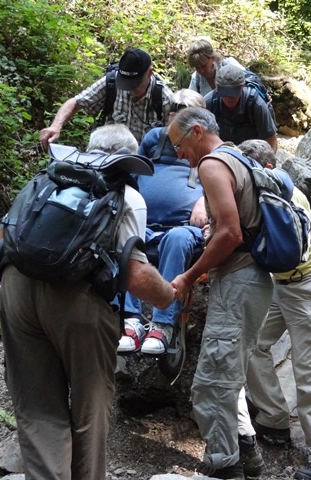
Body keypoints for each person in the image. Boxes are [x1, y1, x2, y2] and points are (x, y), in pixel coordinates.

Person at [0, 124, 175, 480]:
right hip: (78, 302)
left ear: (90, 147)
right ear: (128, 156)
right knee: (89, 407)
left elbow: (4, 234)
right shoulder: (126, 195)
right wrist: (169, 294)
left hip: (16, 288)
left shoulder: (47, 178)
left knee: (37, 408)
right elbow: (136, 276)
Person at [169, 107, 274, 479]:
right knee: (229, 376)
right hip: (254, 281)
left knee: (211, 385)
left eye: (179, 145)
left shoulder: (214, 165)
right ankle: (247, 455)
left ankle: (223, 467)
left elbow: (231, 233)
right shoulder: (239, 157)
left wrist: (189, 274)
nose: (179, 154)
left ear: (197, 132)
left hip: (240, 280)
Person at [239, 139, 311, 480]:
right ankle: (274, 418)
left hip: (308, 283)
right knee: (251, 344)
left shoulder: (283, 192)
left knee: (309, 368)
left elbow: (302, 239)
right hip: (283, 284)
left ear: (264, 168)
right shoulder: (262, 190)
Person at [116, 89, 208, 355]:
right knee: (122, 237)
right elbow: (133, 170)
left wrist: (205, 201)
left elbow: (222, 182)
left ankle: (162, 324)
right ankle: (130, 321)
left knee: (177, 239)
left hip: (183, 227)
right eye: (173, 108)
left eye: (183, 109)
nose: (175, 112)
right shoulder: (154, 139)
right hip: (144, 223)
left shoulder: (205, 146)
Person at [40, 48, 173, 146]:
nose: (130, 89)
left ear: (150, 73)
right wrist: (56, 126)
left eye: (135, 83)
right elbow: (76, 102)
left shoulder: (164, 98)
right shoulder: (112, 82)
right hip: (109, 154)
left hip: (145, 161)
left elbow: (175, 138)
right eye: (126, 83)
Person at [205, 64, 278, 152]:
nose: (228, 97)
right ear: (217, 87)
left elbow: (271, 141)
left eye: (233, 92)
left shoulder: (256, 104)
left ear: (242, 86)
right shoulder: (209, 102)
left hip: (251, 154)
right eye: (224, 92)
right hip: (220, 152)